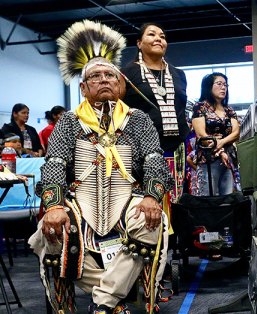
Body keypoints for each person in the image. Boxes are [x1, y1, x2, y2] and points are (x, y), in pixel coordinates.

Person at [27, 20, 173, 313]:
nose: (104, 80)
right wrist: (55, 205)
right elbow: (54, 163)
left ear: (120, 84)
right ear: (83, 87)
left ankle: (103, 303)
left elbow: (155, 161)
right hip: (80, 201)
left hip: (128, 198)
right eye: (96, 77)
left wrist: (151, 197)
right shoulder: (68, 121)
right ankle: (116, 300)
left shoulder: (138, 119)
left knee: (151, 222)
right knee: (50, 232)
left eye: (110, 75)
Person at [121, 23, 189, 232]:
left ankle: (172, 252)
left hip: (175, 149)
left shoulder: (178, 74)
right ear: (139, 43)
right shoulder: (126, 74)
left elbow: (181, 110)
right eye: (151, 35)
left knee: (176, 205)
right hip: (140, 152)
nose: (159, 38)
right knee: (146, 204)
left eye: (162, 35)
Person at [190, 73, 241, 196]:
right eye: (219, 84)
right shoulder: (200, 107)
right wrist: (221, 151)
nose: (223, 87)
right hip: (208, 159)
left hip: (227, 160)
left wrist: (222, 142)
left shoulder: (229, 110)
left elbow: (236, 133)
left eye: (225, 85)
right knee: (207, 197)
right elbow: (202, 135)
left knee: (227, 198)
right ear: (209, 86)